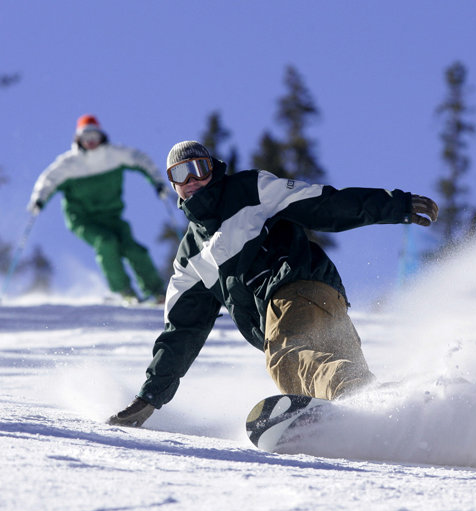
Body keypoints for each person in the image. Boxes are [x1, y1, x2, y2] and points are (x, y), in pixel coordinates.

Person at [108, 141, 439, 427]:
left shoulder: (249, 190)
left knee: (287, 360)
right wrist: (151, 396)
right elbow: (181, 331)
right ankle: (410, 415)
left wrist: (396, 205)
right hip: (326, 300)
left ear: (213, 169)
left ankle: (363, 394)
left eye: (200, 168)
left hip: (290, 291)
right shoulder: (191, 259)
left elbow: (324, 204)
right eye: (182, 174)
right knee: (334, 377)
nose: (193, 179)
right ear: (173, 185)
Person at [28, 114, 168, 303]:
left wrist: (158, 182)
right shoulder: (69, 164)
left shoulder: (115, 155)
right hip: (83, 220)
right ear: (78, 139)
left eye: (94, 136)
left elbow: (142, 160)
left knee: (133, 249)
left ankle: (158, 292)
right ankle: (123, 291)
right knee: (106, 242)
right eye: (86, 137)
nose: (91, 141)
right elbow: (48, 180)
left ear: (101, 136)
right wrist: (39, 199)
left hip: (112, 217)